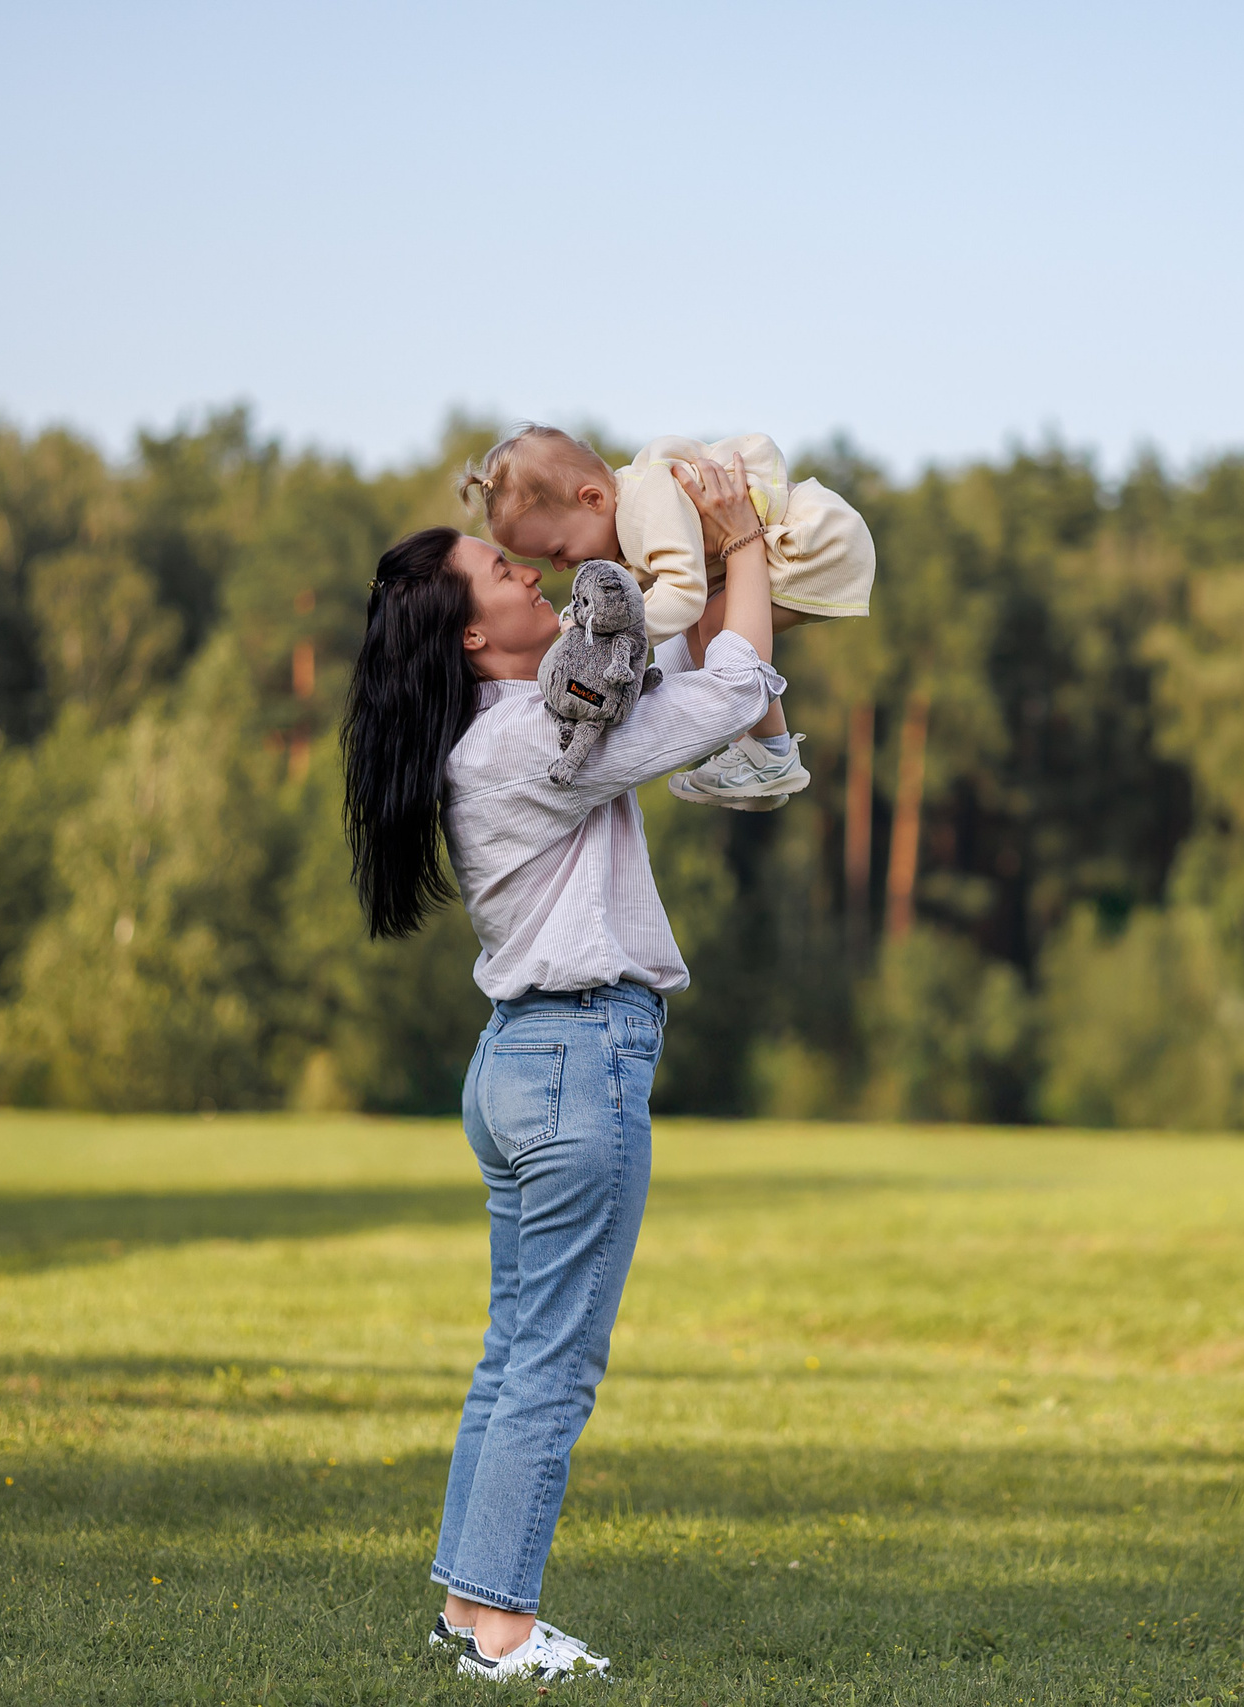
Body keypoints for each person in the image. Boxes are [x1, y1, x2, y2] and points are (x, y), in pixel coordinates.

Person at [340, 457, 781, 1683]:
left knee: (511, 1354)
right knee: (553, 1364)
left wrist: (687, 590)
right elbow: (728, 690)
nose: (526, 567)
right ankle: (505, 1634)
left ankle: (465, 1611)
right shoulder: (539, 736)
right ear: (477, 630)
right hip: (578, 1059)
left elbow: (666, 682)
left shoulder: (510, 731)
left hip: (519, 1066)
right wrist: (740, 547)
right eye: (500, 568)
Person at [459, 425, 875, 812]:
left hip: (815, 540)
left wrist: (607, 642)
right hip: (799, 542)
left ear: (592, 499)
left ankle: (771, 755)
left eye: (557, 549)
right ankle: (758, 757)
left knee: (715, 626)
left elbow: (683, 595)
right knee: (705, 631)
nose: (559, 568)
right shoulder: (622, 526)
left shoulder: (645, 508)